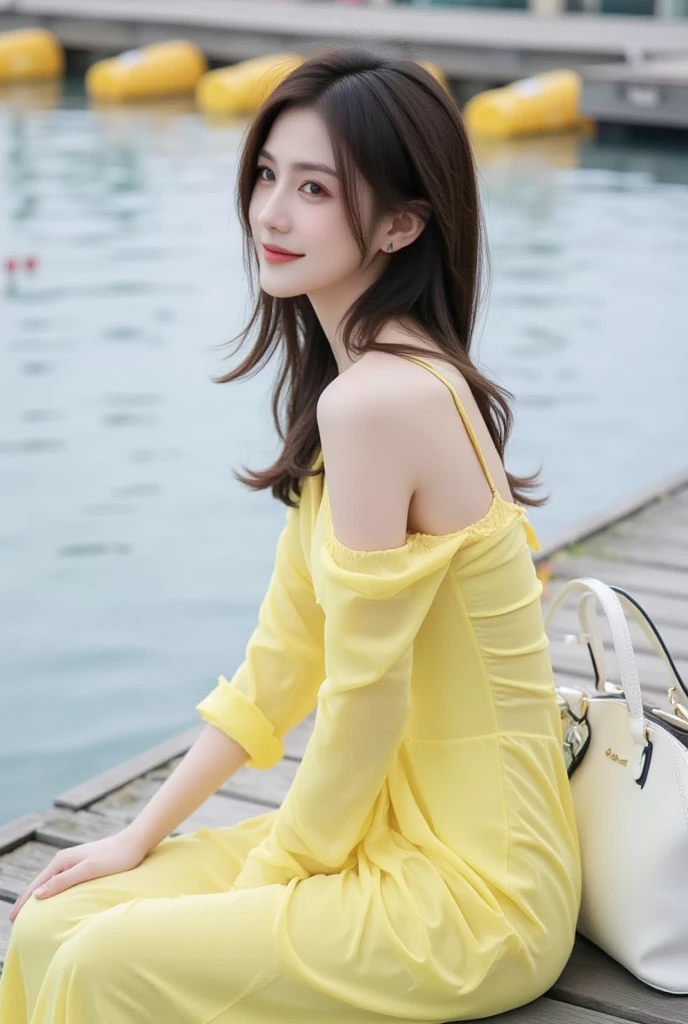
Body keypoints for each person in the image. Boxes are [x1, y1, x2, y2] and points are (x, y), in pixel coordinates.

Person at [0, 45, 581, 1024]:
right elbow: (282, 664)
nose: (270, 213)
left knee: (105, 964)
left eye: (314, 188)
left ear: (401, 224)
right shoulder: (348, 397)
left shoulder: (382, 402)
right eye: (267, 174)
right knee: (52, 924)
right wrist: (137, 837)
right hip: (386, 838)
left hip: (479, 893)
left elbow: (363, 704)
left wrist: (268, 878)